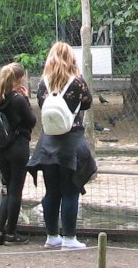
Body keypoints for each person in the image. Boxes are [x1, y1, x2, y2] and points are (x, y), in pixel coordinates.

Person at [27, 41, 97, 250]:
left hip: (48, 143)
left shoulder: (43, 83)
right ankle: (69, 238)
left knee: (51, 192)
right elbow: (87, 102)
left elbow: (42, 105)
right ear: (71, 58)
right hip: (71, 141)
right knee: (70, 191)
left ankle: (51, 236)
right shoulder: (77, 82)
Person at [0, 62, 35, 246]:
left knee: (8, 190)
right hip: (18, 148)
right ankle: (11, 234)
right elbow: (31, 121)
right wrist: (27, 99)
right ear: (18, 79)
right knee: (16, 191)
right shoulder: (18, 99)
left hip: (1, 150)